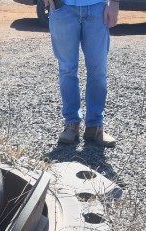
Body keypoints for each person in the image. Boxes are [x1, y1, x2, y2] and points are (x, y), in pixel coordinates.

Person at [45, 0, 120, 147]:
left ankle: (95, 126)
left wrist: (114, 2)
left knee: (98, 71)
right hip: (63, 8)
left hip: (97, 8)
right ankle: (71, 124)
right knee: (67, 70)